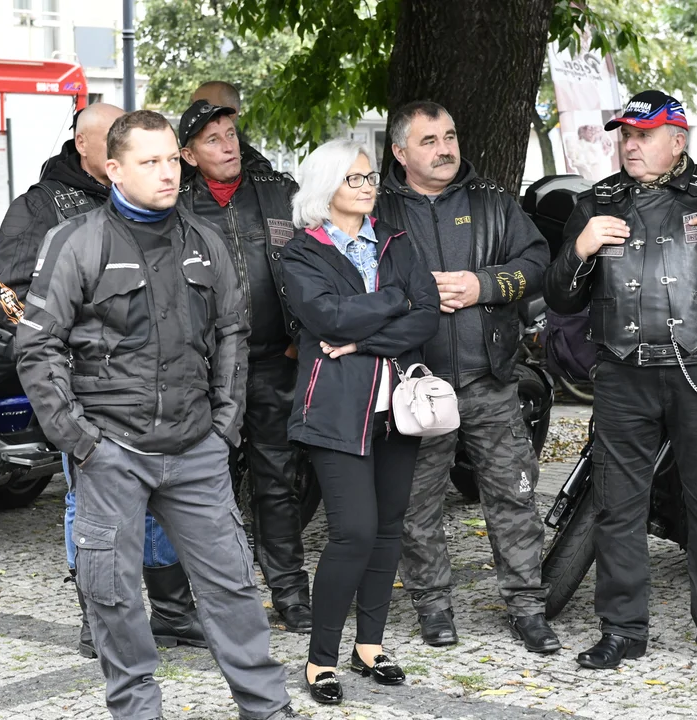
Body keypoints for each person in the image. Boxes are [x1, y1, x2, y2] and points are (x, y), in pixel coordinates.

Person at [14, 110, 297, 720]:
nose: (168, 173)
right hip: (112, 452)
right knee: (112, 597)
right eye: (151, 162)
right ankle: (137, 712)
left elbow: (232, 335)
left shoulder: (205, 241)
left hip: (196, 449)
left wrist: (224, 426)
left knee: (233, 589)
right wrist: (81, 441)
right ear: (114, 169)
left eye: (172, 159)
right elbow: (36, 346)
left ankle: (267, 708)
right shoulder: (76, 241)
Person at [544, 90, 697, 673]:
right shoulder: (597, 201)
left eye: (644, 134)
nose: (630, 145)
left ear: (677, 141)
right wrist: (579, 251)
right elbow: (558, 295)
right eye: (624, 135)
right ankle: (622, 630)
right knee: (616, 505)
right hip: (623, 375)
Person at [0, 102, 206, 658]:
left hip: (161, 390)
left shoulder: (158, 201)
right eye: (114, 135)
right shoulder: (40, 207)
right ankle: (100, 619)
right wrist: (65, 371)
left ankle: (174, 614)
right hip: (87, 394)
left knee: (162, 503)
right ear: (86, 145)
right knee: (90, 510)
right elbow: (9, 291)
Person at [376, 101, 560, 653]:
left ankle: (528, 607)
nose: (445, 148)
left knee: (514, 497)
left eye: (450, 135)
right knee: (415, 504)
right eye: (429, 139)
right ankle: (432, 607)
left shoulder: (494, 202)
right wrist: (414, 298)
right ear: (400, 151)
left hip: (491, 379)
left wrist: (485, 285)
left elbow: (537, 264)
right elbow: (354, 279)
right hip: (415, 384)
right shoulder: (377, 208)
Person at [281, 139, 439, 705]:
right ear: (327, 189)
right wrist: (396, 301)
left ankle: (368, 645)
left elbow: (426, 315)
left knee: (390, 528)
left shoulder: (397, 240)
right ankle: (321, 658)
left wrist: (365, 335)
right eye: (356, 179)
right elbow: (325, 315)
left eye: (371, 177)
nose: (370, 186)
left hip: (398, 408)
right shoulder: (301, 253)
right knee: (354, 532)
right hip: (334, 409)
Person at [176, 100, 312, 633]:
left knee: (278, 481)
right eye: (212, 139)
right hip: (208, 370)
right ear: (188, 154)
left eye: (231, 134)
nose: (228, 144)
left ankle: (290, 591)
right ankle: (218, 597)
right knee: (207, 484)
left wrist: (304, 334)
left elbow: (311, 260)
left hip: (277, 361)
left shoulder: (277, 191)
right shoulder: (178, 205)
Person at [191, 80, 274, 173]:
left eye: (205, 108)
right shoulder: (182, 164)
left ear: (231, 114)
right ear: (188, 156)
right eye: (193, 106)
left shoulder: (255, 167)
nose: (195, 113)